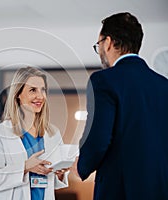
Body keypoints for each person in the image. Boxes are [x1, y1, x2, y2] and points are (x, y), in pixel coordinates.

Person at [70, 12, 168, 200]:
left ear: (108, 42)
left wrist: (82, 165)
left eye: (98, 45)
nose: (100, 51)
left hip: (121, 190)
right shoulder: (164, 85)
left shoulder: (104, 81)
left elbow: (99, 138)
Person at [0, 66, 69, 200]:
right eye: (33, 90)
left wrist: (60, 173)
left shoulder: (53, 133)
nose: (40, 96)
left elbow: (54, 181)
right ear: (18, 94)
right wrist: (25, 167)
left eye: (43, 90)